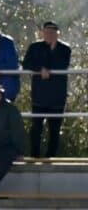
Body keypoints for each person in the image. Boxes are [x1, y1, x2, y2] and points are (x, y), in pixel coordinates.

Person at [23, 21, 70, 159]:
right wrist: (40, 69)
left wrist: (53, 48)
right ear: (42, 33)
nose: (49, 35)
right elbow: (26, 63)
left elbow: (62, 65)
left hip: (57, 96)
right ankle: (34, 156)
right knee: (36, 129)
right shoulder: (34, 47)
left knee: (54, 130)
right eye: (47, 32)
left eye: (53, 32)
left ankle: (50, 157)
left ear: (58, 34)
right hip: (39, 95)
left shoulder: (64, 49)